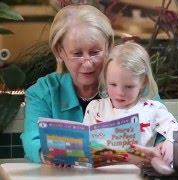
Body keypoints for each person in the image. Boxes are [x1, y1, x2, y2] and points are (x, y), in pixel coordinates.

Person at [20, 4, 164, 164]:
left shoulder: (134, 84)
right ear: (60, 51)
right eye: (77, 54)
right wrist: (50, 156)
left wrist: (162, 149)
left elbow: (163, 134)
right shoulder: (43, 92)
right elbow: (32, 140)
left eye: (95, 52)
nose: (88, 64)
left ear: (108, 46)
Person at [83, 41, 178, 167]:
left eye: (129, 86)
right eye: (113, 84)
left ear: (143, 82)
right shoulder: (95, 108)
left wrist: (170, 143)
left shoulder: (153, 109)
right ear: (105, 78)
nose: (120, 93)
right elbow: (83, 145)